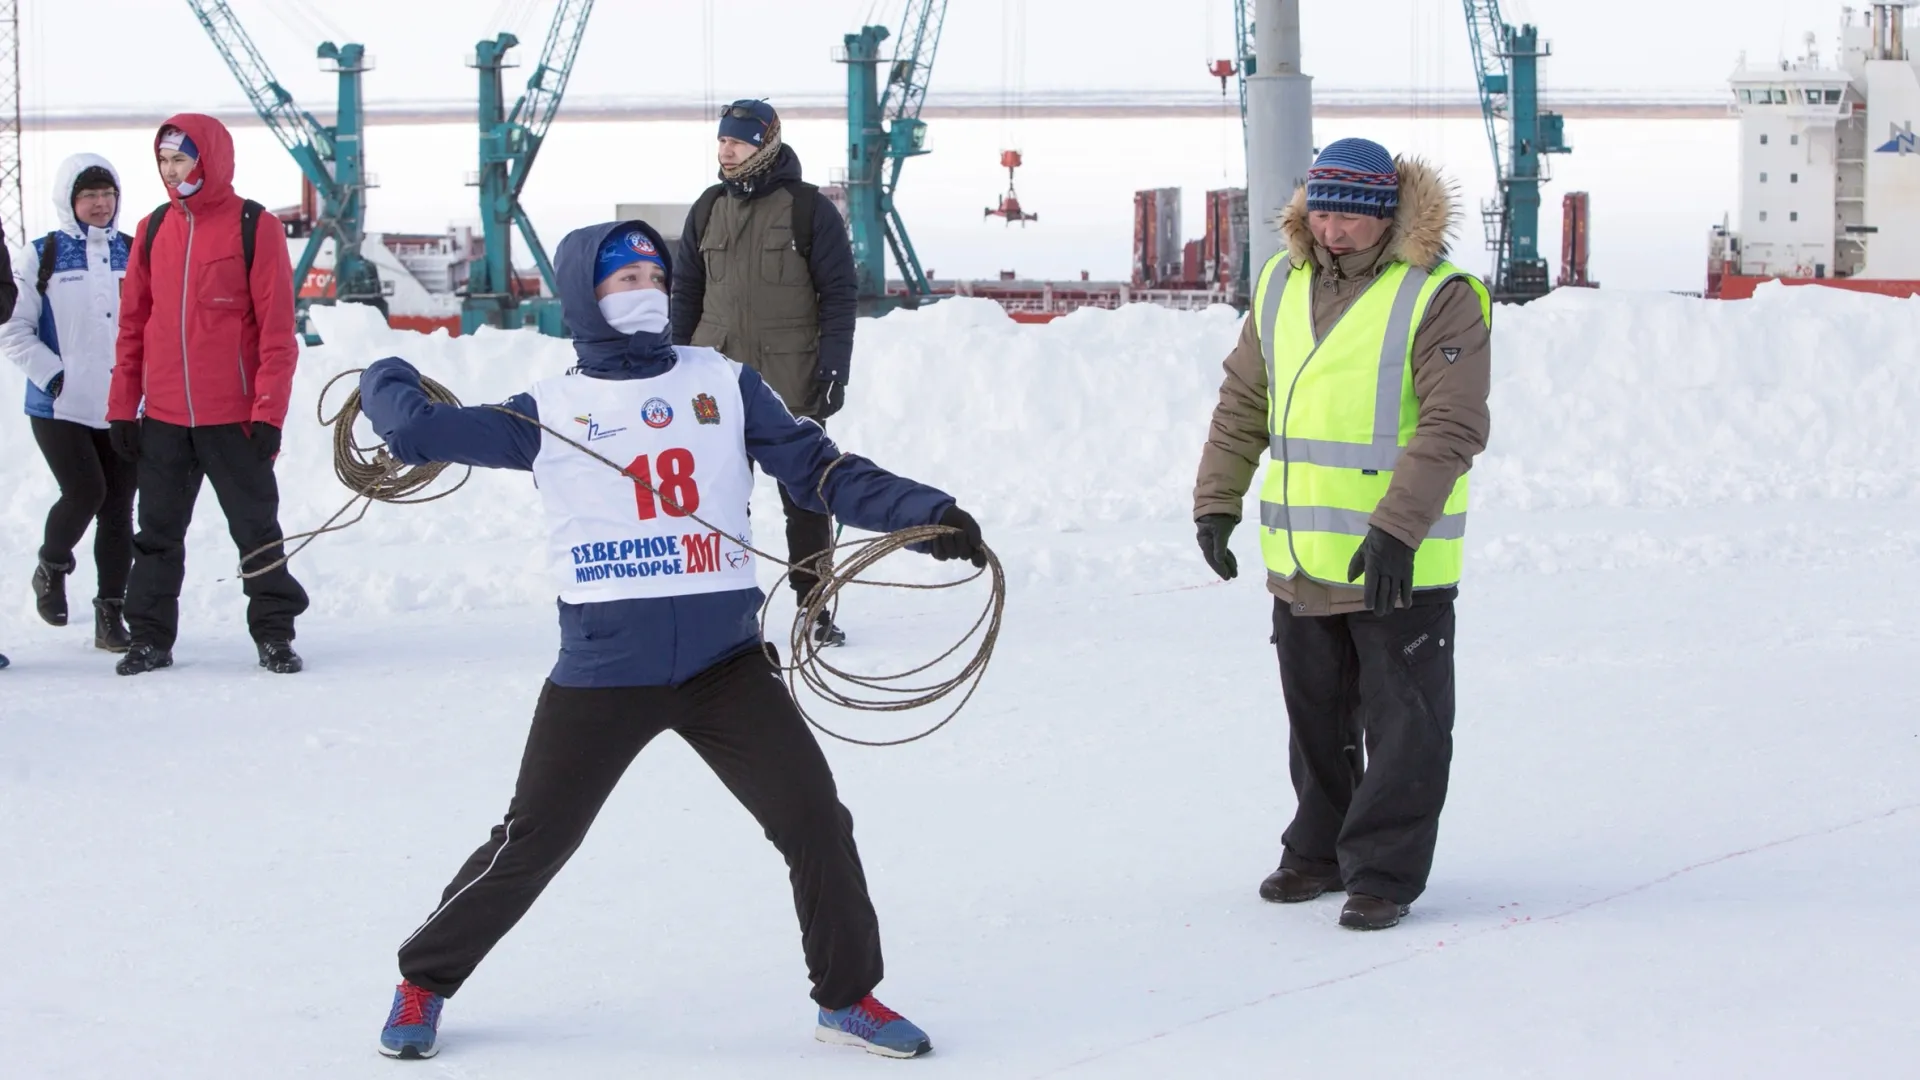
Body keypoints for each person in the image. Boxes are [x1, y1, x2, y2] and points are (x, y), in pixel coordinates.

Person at [360, 219, 986, 1061]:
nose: (644, 291)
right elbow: (415, 435)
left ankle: (847, 998)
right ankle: (422, 983)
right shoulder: (550, 408)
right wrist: (384, 371)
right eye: (624, 280)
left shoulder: (725, 384)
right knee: (533, 842)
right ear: (587, 294)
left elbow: (820, 470)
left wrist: (924, 512)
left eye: (654, 275)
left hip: (723, 667)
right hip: (603, 671)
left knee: (815, 819)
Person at [1191, 138, 1492, 931]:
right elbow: (1242, 399)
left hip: (1399, 560)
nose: (1333, 230)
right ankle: (1318, 850)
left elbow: (1453, 423)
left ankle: (1383, 873)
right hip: (1301, 557)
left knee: (1404, 728)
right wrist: (1216, 500)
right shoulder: (1281, 282)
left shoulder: (1440, 294)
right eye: (1321, 211)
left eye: (1352, 216)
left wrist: (1397, 529)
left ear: (1387, 214)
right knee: (1315, 720)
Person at [106, 114, 308, 676]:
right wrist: (124, 407)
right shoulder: (150, 230)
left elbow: (276, 332)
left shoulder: (253, 226)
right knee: (156, 535)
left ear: (210, 160)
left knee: (256, 531)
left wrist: (268, 412)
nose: (172, 172)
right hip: (165, 418)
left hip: (234, 419)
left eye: (182, 160)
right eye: (165, 161)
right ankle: (149, 637)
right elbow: (132, 328)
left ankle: (274, 635)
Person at [672, 98, 859, 648]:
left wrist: (833, 368)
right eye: (721, 141)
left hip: (790, 379)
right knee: (717, 497)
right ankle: (720, 607)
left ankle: (815, 605)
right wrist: (672, 363)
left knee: (805, 495)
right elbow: (686, 292)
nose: (724, 149)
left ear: (765, 143)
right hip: (716, 381)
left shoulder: (808, 209)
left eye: (736, 140)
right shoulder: (707, 208)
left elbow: (839, 294)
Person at [2, 154, 136, 651]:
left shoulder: (135, 251)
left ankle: (110, 615)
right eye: (89, 196)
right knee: (85, 493)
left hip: (122, 404)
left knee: (120, 510)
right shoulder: (43, 254)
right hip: (58, 406)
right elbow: (12, 329)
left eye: (107, 195)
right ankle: (52, 566)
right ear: (69, 201)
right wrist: (53, 376)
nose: (100, 205)